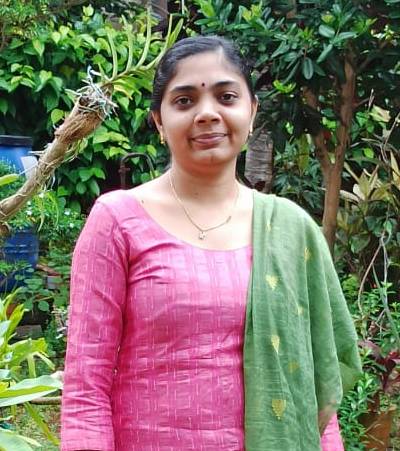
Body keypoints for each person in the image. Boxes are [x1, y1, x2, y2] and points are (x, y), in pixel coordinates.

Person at [61, 36, 361, 451]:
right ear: (159, 122)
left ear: (251, 112)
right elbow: (86, 387)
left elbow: (313, 388)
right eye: (184, 101)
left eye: (226, 97)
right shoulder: (118, 220)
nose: (207, 113)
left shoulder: (290, 229)